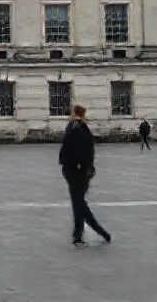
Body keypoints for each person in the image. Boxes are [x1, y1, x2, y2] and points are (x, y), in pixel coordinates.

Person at [59, 104, 111, 247]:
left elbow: (75, 149)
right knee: (79, 202)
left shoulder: (75, 127)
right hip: (78, 170)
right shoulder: (79, 127)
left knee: (78, 202)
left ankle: (83, 233)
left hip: (75, 170)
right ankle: (85, 232)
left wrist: (74, 166)